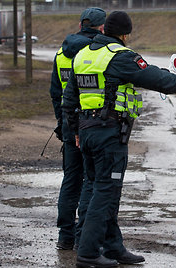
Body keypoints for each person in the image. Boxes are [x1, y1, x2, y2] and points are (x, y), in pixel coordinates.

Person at [62, 10, 176, 268]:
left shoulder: (83, 55)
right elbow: (159, 80)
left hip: (88, 132)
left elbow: (69, 98)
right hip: (109, 134)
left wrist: (75, 132)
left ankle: (113, 247)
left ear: (103, 30)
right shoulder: (121, 56)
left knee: (98, 188)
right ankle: (89, 252)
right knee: (105, 191)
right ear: (125, 34)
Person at [49, 7, 106, 251]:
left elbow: (55, 93)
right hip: (91, 126)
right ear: (102, 27)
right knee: (90, 181)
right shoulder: (97, 53)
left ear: (81, 24)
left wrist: (63, 125)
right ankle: (84, 234)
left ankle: (65, 236)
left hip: (68, 126)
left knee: (71, 179)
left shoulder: (62, 53)